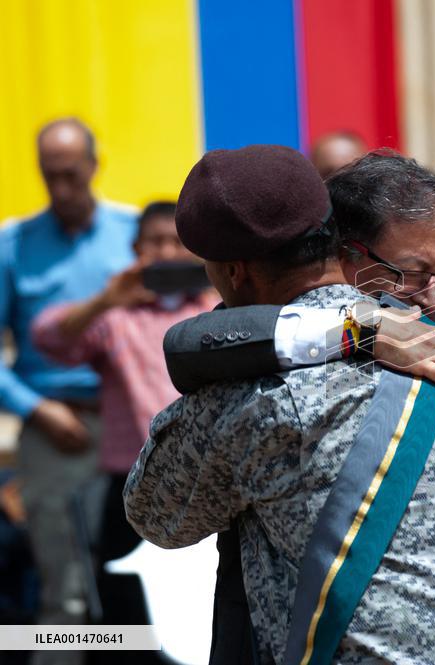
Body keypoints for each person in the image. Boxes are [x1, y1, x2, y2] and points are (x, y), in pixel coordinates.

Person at [125, 145, 435, 665]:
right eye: (415, 273)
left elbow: (156, 515)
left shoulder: (254, 395)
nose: (433, 299)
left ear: (233, 272)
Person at [30, 201, 213, 661]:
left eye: (176, 242)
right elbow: (47, 338)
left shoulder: (216, 309)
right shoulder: (116, 317)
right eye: (155, 242)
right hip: (133, 490)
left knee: (198, 616)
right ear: (136, 250)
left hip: (207, 487)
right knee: (126, 621)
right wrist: (107, 299)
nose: (166, 252)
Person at [0, 118, 135, 661]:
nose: (60, 189)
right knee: (65, 588)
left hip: (134, 425)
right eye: (49, 176)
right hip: (54, 429)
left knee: (142, 573)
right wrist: (37, 409)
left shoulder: (135, 233)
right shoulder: (13, 243)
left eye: (71, 175)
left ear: (94, 166)